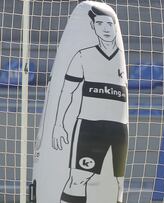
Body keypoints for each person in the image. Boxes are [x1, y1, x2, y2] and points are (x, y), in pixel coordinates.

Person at [52, 6, 128, 203]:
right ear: (93, 27)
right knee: (77, 180)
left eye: (109, 24)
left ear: (115, 28)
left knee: (118, 184)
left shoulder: (122, 59)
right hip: (90, 127)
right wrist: (59, 125)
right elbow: (67, 92)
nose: (105, 28)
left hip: (119, 129)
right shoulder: (82, 56)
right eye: (100, 23)